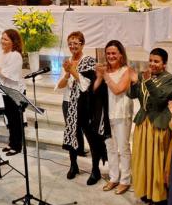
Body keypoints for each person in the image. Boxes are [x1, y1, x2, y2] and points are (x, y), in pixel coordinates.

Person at [127, 48, 172, 205]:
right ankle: (144, 191)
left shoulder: (171, 79)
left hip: (159, 123)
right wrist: (133, 82)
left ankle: (159, 195)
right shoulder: (143, 75)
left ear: (164, 64)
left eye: (156, 61)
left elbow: (160, 99)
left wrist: (147, 80)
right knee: (142, 159)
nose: (152, 64)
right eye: (150, 60)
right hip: (143, 122)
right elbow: (132, 95)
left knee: (157, 159)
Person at [56, 31, 108, 185]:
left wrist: (72, 71)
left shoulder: (89, 61)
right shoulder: (67, 62)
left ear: (83, 44)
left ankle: (95, 170)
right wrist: (66, 74)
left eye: (76, 43)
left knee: (91, 137)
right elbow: (60, 85)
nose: (72, 46)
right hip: (67, 102)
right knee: (72, 133)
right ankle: (73, 165)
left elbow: (86, 85)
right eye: (70, 43)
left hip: (84, 104)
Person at [94, 40, 134, 195]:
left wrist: (105, 76)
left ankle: (125, 180)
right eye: (108, 53)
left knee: (123, 147)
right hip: (106, 115)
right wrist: (99, 77)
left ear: (121, 55)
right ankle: (113, 177)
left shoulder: (127, 70)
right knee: (110, 147)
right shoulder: (105, 71)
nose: (110, 56)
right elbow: (95, 90)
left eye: (114, 53)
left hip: (122, 114)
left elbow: (118, 90)